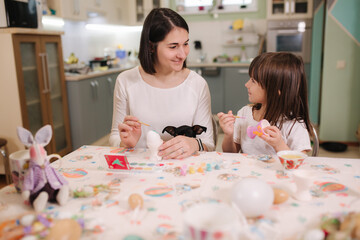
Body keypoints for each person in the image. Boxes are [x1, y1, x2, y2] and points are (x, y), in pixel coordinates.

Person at [109, 8, 214, 159]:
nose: (182, 54)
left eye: (185, 44)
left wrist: (194, 144)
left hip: (184, 170)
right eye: (173, 46)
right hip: (141, 169)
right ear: (151, 46)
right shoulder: (126, 81)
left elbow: (208, 143)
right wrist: (125, 143)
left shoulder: (197, 84)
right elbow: (114, 136)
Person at [218, 52, 312, 155]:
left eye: (253, 81)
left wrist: (279, 145)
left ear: (275, 91)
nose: (246, 84)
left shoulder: (294, 125)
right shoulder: (244, 113)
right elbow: (230, 153)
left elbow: (300, 163)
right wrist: (228, 134)